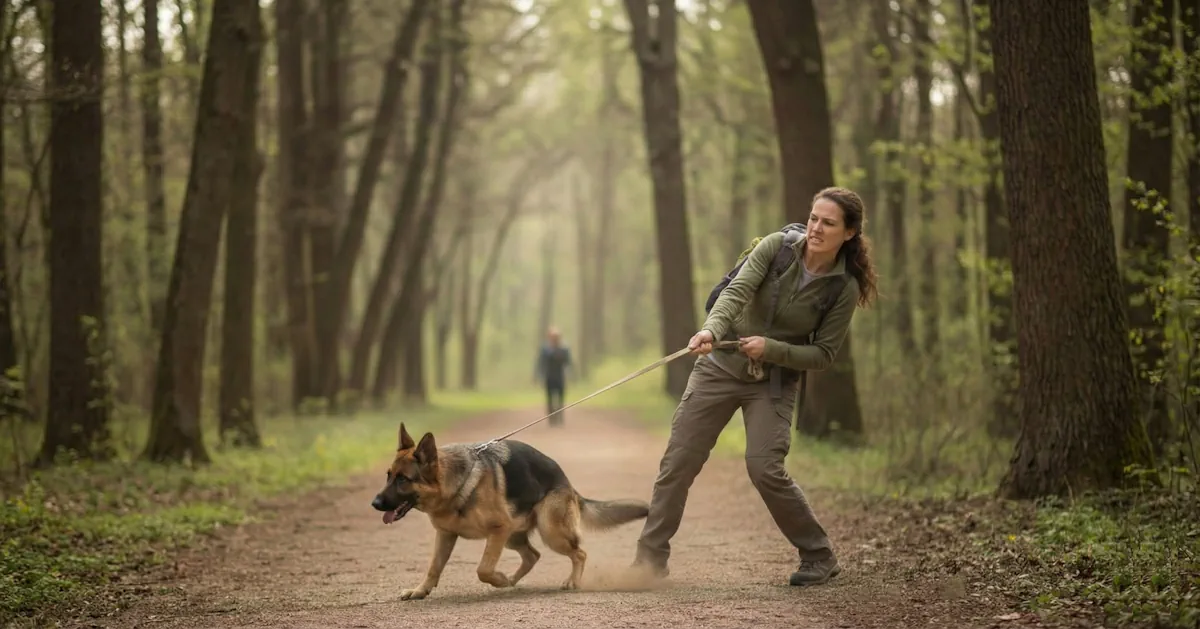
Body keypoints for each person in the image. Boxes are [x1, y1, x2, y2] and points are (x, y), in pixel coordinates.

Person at [631, 186, 878, 586]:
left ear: (849, 233)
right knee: (678, 463)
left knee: (764, 467)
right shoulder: (776, 247)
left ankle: (818, 556)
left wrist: (773, 349)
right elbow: (735, 293)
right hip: (719, 366)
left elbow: (823, 355)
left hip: (774, 382)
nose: (816, 228)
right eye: (814, 218)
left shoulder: (842, 288)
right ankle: (649, 561)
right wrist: (710, 330)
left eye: (828, 223)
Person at [534, 326, 572, 426]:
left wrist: (569, 373)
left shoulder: (564, 348)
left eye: (556, 337)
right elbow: (541, 363)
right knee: (550, 399)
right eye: (553, 336)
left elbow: (568, 362)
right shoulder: (545, 349)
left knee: (560, 399)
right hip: (549, 377)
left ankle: (560, 418)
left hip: (560, 377)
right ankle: (551, 419)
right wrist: (540, 375)